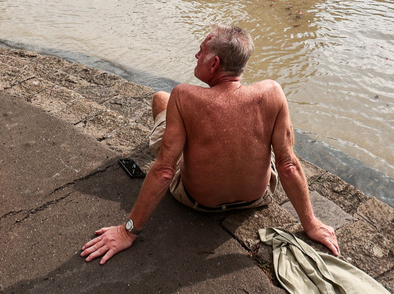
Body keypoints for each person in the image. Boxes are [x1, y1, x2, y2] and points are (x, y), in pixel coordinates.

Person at [82, 24, 341, 264]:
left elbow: (163, 171)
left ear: (215, 63)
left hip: (196, 201)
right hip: (257, 199)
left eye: (201, 51)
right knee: (274, 149)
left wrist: (128, 231)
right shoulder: (272, 93)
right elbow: (288, 166)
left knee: (162, 98)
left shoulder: (184, 96)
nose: (196, 55)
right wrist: (311, 225)